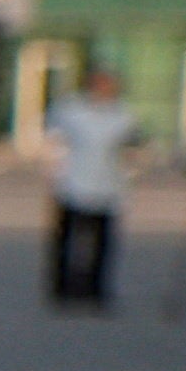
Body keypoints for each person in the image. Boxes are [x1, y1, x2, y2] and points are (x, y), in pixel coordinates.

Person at [45, 61, 135, 308]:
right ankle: (62, 289)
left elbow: (129, 148)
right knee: (67, 241)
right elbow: (53, 140)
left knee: (102, 245)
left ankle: (96, 290)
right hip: (73, 183)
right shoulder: (71, 110)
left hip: (108, 187)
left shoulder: (123, 115)